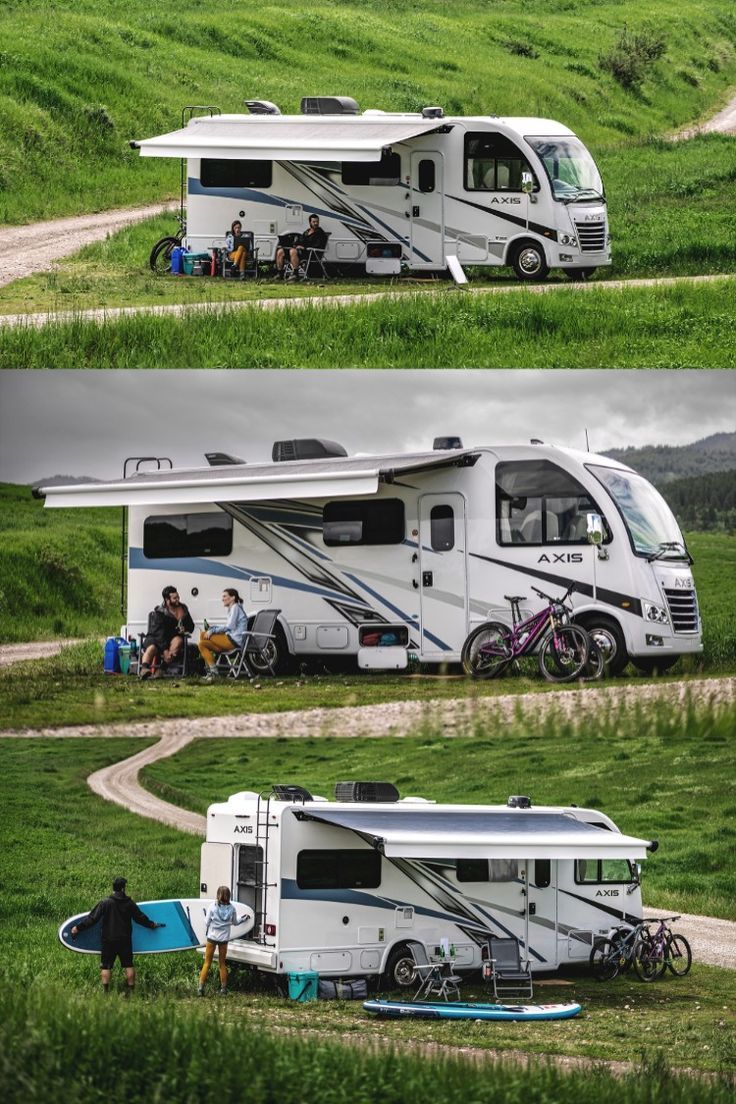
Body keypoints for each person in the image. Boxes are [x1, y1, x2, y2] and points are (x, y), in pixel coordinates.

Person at [71, 876, 164, 995]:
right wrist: (152, 924)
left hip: (108, 939)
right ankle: (131, 991)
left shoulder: (105, 903)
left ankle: (106, 992)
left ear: (113, 888)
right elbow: (140, 918)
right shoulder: (129, 903)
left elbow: (92, 919)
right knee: (128, 965)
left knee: (106, 966)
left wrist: (77, 928)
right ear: (123, 889)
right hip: (125, 939)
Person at [139, 585, 194, 679]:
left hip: (172, 637)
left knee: (178, 641)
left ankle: (161, 670)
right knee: (152, 647)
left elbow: (191, 626)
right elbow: (159, 634)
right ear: (167, 600)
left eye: (178, 597)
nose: (178, 599)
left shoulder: (183, 609)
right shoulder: (160, 613)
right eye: (174, 598)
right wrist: (165, 650)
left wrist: (185, 629)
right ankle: (144, 669)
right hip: (156, 637)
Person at [197, 588, 248, 682]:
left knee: (204, 634)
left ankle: (211, 672)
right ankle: (213, 671)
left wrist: (212, 631)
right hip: (229, 640)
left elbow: (230, 626)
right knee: (202, 644)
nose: (222, 599)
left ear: (233, 598)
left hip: (234, 641)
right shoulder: (233, 608)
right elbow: (228, 627)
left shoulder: (235, 607)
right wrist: (213, 629)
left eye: (225, 596)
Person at [198, 885, 238, 996]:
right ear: (228, 896)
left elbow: (206, 923)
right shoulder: (232, 908)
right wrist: (243, 918)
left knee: (207, 963)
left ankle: (200, 989)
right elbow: (235, 922)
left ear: (218, 895)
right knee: (222, 964)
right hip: (224, 940)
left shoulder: (212, 907)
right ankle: (223, 990)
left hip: (212, 938)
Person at [273, 214, 328, 281]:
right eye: (314, 222)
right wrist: (295, 245)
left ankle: (295, 274)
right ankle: (280, 274)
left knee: (293, 251)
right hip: (301, 252)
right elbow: (300, 241)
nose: (316, 223)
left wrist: (304, 247)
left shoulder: (320, 233)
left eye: (317, 222)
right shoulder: (307, 232)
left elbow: (317, 245)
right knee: (280, 251)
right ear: (310, 222)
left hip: (310, 253)